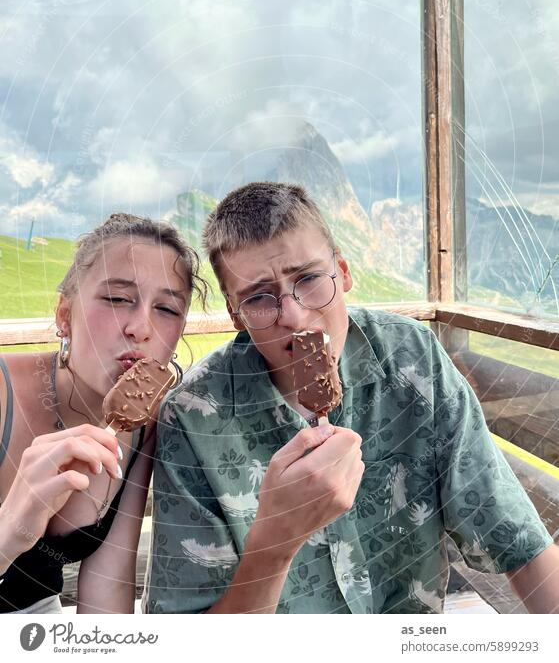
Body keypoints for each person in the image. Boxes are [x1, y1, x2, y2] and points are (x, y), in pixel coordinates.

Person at [146, 182, 559, 614]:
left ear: (342, 273)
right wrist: (274, 543)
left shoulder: (412, 358)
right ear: (236, 314)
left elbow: (519, 543)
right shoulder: (193, 416)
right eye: (259, 298)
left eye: (307, 279)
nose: (294, 315)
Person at [0, 213, 206, 614]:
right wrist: (10, 526)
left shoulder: (144, 427)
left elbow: (107, 588)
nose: (141, 328)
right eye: (117, 298)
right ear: (64, 316)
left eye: (166, 308)